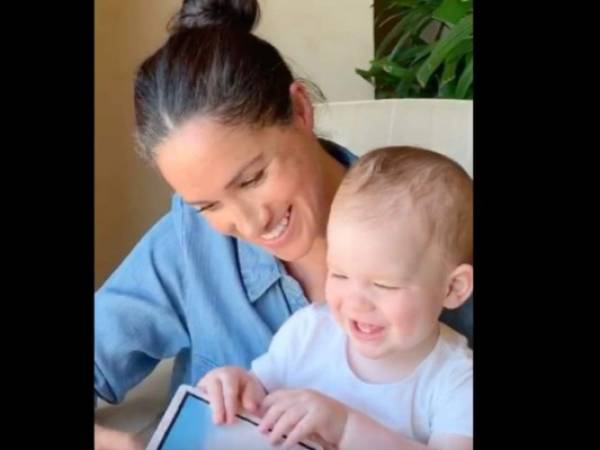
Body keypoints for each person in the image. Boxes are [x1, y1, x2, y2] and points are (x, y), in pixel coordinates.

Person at [94, 0, 472, 448]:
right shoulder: (189, 242)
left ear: (299, 109)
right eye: (207, 205)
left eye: (253, 178)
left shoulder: (441, 235)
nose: (250, 223)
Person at [198, 146, 473, 450]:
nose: (355, 303)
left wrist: (346, 429)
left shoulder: (456, 381)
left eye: (384, 285)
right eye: (339, 274)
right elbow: (258, 398)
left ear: (453, 288)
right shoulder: (307, 332)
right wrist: (236, 389)